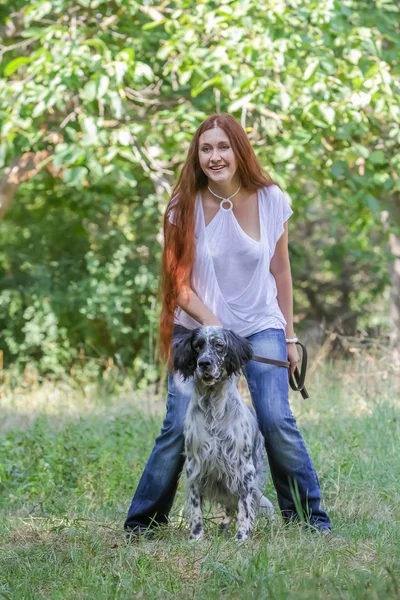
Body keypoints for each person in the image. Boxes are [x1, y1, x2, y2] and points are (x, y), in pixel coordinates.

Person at [125, 113, 331, 535]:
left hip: (259, 324)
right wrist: (216, 335)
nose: (215, 157)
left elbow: (282, 272)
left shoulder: (272, 199)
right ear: (196, 155)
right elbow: (178, 288)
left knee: (275, 418)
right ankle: (143, 523)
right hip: (200, 330)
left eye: (223, 147)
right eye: (206, 149)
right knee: (177, 421)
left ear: (239, 150)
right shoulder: (181, 206)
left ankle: (310, 521)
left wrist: (289, 336)